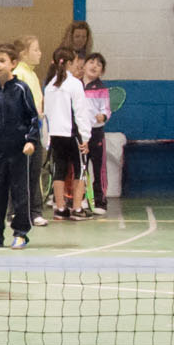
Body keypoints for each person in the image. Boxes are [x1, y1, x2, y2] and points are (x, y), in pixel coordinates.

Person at [0, 43, 39, 250]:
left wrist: (31, 140)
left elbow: (33, 117)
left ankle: (21, 233)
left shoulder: (22, 89)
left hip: (19, 151)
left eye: (2, 61)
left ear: (13, 63)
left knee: (20, 193)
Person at [41, 46, 90, 220]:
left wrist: (47, 137)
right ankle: (77, 208)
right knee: (80, 169)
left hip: (55, 135)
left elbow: (46, 114)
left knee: (59, 170)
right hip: (73, 134)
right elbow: (80, 112)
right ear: (69, 63)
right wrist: (86, 137)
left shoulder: (49, 86)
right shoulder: (75, 84)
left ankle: (60, 208)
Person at [12, 34, 50, 227]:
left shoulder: (32, 74)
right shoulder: (19, 74)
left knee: (34, 172)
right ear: (23, 53)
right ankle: (18, 212)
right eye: (35, 49)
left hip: (36, 130)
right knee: (22, 173)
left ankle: (33, 212)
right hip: (23, 132)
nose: (40, 53)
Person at [81, 52, 110, 214]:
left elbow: (106, 109)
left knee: (98, 168)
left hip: (96, 132)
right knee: (80, 167)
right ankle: (81, 198)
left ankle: (100, 201)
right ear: (84, 65)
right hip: (80, 133)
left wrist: (103, 116)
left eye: (99, 65)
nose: (94, 66)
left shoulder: (101, 89)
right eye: (91, 62)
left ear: (102, 71)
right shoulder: (76, 85)